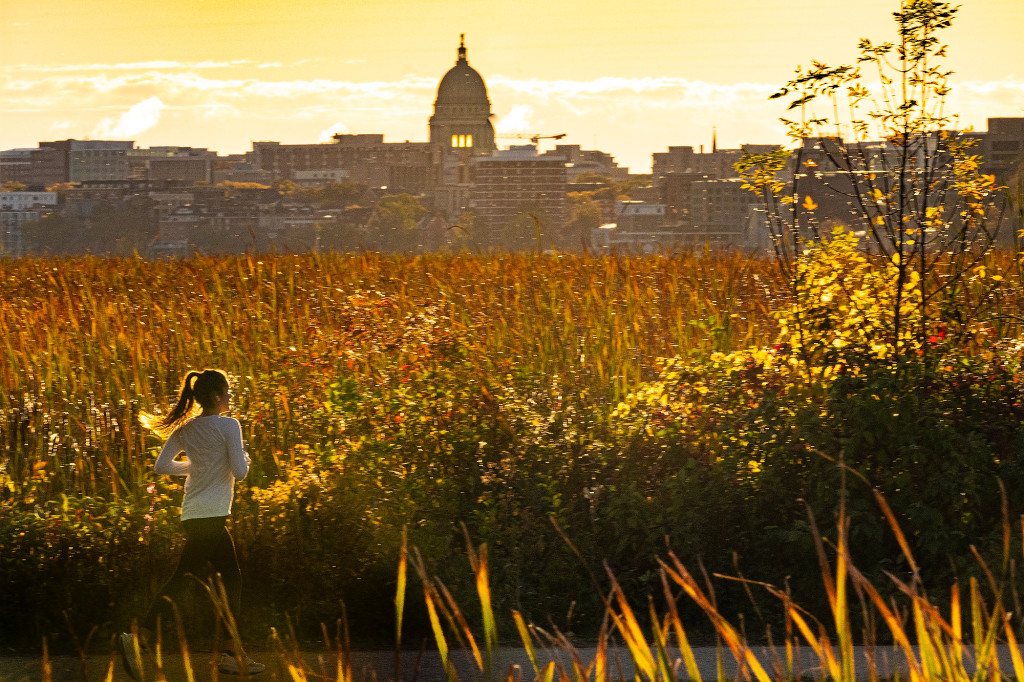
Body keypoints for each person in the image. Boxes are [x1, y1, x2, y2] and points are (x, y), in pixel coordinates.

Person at [119, 369, 265, 678]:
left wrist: (197, 465)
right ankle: (139, 636)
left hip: (193, 514)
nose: (229, 398)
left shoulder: (186, 429)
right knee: (185, 578)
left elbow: (161, 466)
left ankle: (230, 652)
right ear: (216, 396)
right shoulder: (229, 426)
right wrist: (243, 460)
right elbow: (239, 473)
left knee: (230, 576)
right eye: (227, 393)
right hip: (212, 515)